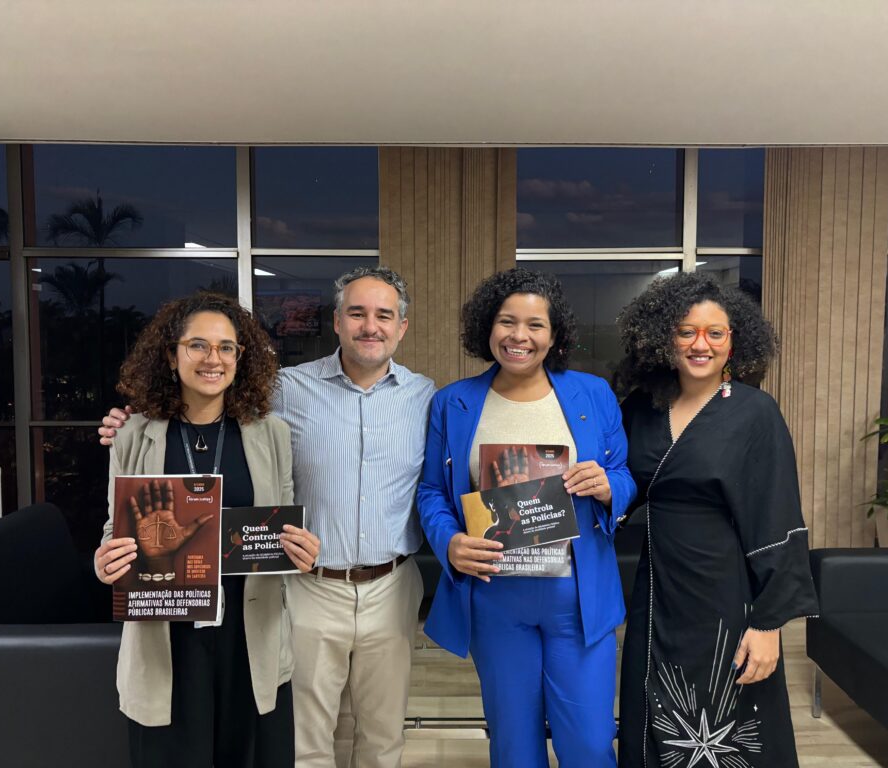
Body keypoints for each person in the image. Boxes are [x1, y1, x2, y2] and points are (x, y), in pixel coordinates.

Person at [100, 267, 435, 768]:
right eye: (357, 313)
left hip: (376, 589)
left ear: (401, 326)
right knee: (307, 744)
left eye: (384, 315)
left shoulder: (426, 397)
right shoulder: (286, 392)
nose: (371, 326)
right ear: (337, 322)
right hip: (299, 592)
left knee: (382, 739)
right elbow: (116, 526)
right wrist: (126, 420)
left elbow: (437, 484)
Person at [417, 268, 636, 768]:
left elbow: (623, 473)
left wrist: (609, 487)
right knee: (514, 745)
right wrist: (449, 541)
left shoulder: (592, 394)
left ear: (554, 335)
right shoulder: (453, 402)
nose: (520, 336)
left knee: (590, 742)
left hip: (577, 595)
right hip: (496, 593)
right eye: (507, 322)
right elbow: (431, 490)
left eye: (535, 325)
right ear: (487, 327)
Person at [93, 291, 321, 768]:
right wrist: (106, 562)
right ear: (171, 355)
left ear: (241, 358)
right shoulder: (133, 434)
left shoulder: (271, 434)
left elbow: (280, 523)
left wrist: (299, 550)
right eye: (197, 345)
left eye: (226, 347)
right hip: (166, 633)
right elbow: (116, 529)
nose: (212, 359)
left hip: (250, 631)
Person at [615, 273, 819, 768]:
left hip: (725, 595)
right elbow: (624, 484)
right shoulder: (642, 407)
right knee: (652, 711)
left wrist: (768, 624)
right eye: (686, 331)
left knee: (729, 721)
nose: (700, 344)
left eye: (715, 332)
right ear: (664, 337)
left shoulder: (755, 413)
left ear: (734, 340)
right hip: (658, 589)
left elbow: (777, 517)